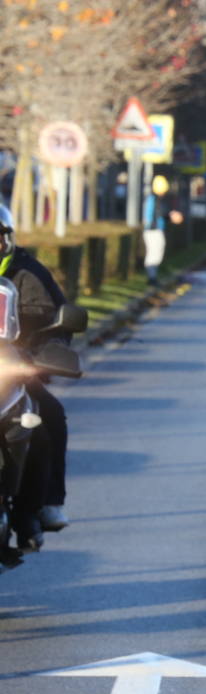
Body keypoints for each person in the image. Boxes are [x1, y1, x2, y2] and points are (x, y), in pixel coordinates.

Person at [0, 204, 85, 547]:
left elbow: (56, 322)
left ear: (7, 240)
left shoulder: (28, 272)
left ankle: (39, 507)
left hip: (13, 370)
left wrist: (45, 351)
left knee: (48, 416)